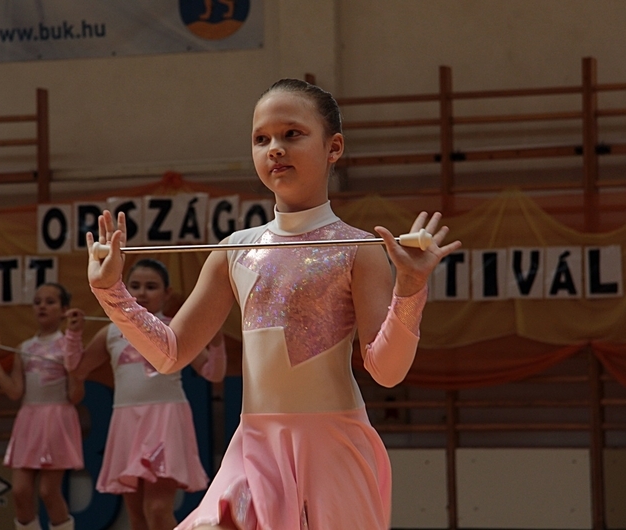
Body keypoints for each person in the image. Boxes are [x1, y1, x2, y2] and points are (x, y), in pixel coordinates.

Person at [86, 78, 462, 529]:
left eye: (292, 134)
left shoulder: (358, 249)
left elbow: (387, 371)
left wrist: (410, 289)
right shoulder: (233, 250)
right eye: (261, 139)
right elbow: (170, 353)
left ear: (334, 147)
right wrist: (111, 292)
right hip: (254, 450)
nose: (275, 148)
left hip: (332, 451)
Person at [72, 258, 226, 530]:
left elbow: (213, 373)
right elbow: (77, 369)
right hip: (127, 423)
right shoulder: (111, 332)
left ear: (167, 293)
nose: (142, 293)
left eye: (151, 286)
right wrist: (73, 336)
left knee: (157, 510)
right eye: (135, 286)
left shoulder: (177, 329)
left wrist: (216, 342)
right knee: (138, 517)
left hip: (166, 420)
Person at [0, 282, 86, 530]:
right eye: (37, 302)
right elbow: (15, 391)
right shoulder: (24, 348)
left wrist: (75, 370)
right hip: (29, 420)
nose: (42, 306)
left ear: (64, 310)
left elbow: (75, 395)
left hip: (57, 419)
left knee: (48, 492)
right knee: (20, 491)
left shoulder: (67, 346)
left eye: (50, 302)